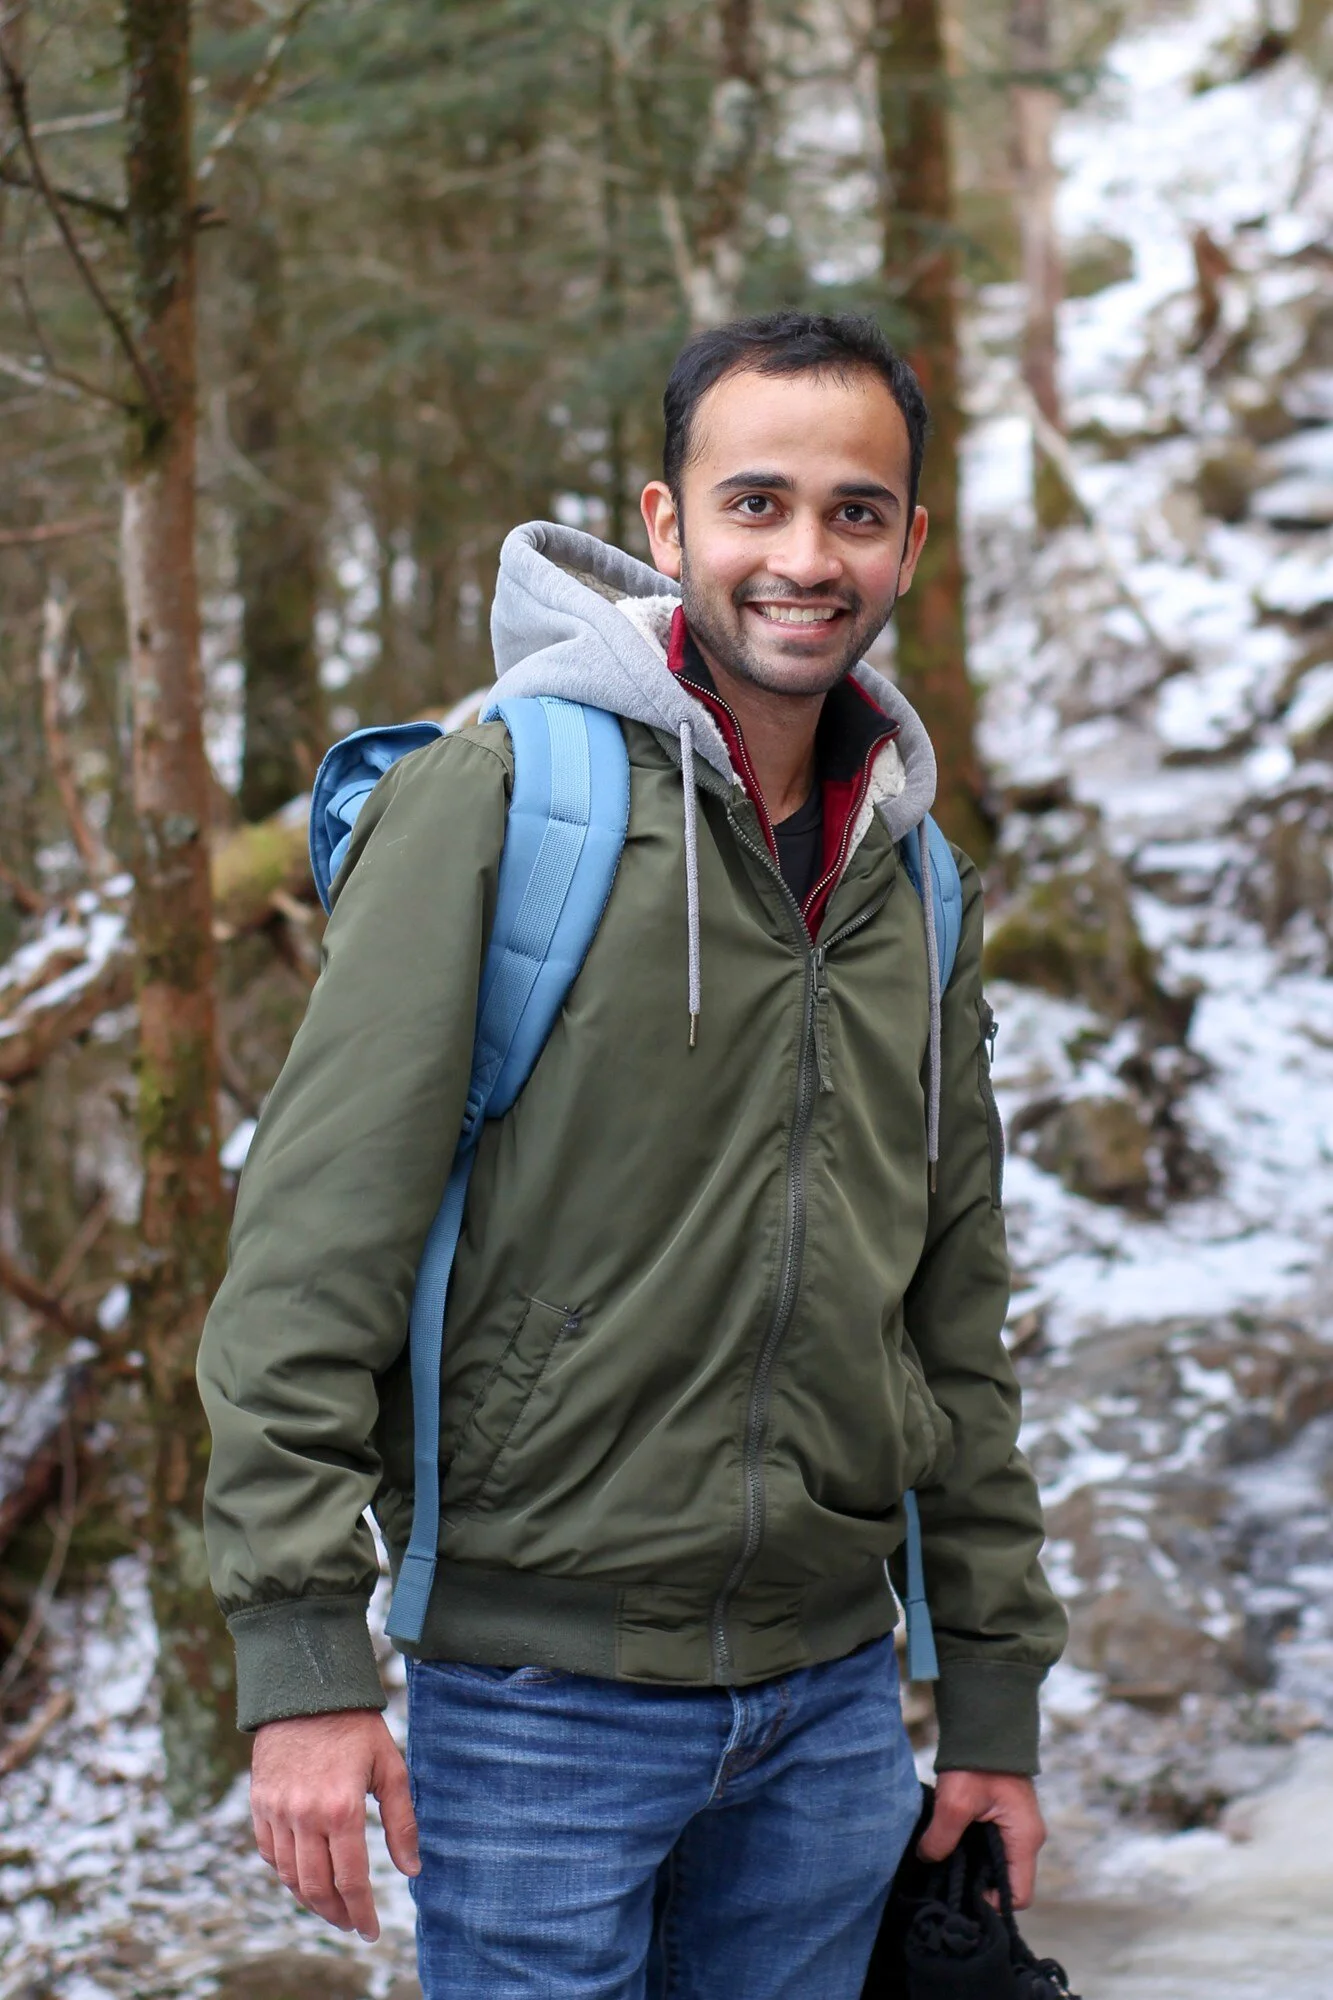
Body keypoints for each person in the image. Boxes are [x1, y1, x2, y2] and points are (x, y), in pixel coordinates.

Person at [198, 309, 1066, 2000]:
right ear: (668, 527)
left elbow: (953, 1320)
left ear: (908, 545)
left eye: (855, 512)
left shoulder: (915, 882)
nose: (803, 557)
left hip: (833, 1710)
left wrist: (990, 1695)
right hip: (541, 1707)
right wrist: (301, 1658)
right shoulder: (502, 800)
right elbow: (311, 1247)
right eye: (756, 504)